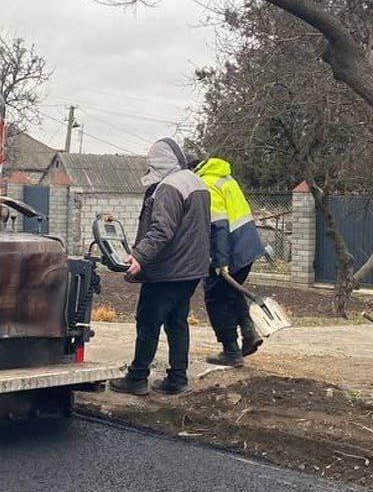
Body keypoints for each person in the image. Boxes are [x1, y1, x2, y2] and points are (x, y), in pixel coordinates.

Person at [110, 138, 211, 396]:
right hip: (191, 269)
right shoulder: (196, 182)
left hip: (168, 269)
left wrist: (140, 257)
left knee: (148, 320)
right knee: (177, 321)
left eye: (151, 162)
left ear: (161, 162)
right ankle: (177, 378)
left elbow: (161, 230)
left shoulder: (168, 187)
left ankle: (137, 377)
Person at [195, 156, 267, 367]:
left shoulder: (206, 184)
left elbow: (218, 224)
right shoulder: (226, 179)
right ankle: (249, 332)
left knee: (215, 298)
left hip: (229, 250)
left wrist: (220, 260)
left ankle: (230, 351)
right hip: (248, 247)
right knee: (231, 291)